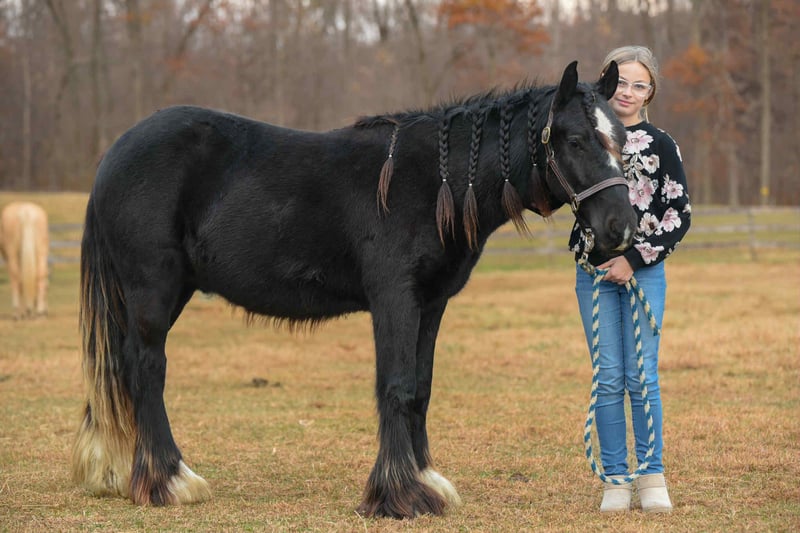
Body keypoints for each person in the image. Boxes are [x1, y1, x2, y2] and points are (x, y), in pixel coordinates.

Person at [569, 45, 692, 513]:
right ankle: (616, 479)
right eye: (621, 82)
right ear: (605, 82)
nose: (628, 92)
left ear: (650, 92)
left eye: (640, 85)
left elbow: (678, 214)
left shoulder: (661, 144)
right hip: (595, 272)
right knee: (607, 378)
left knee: (642, 376)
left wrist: (634, 260)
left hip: (645, 272)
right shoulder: (588, 138)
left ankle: (652, 475)